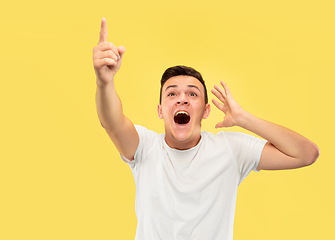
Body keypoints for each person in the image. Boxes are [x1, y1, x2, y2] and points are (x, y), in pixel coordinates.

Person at [93, 18, 320, 240]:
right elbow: (112, 122)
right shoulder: (145, 147)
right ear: (161, 110)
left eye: (192, 94)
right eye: (172, 93)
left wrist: (244, 118)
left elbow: (306, 153)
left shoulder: (230, 149)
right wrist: (105, 83)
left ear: (206, 110)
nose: (182, 99)